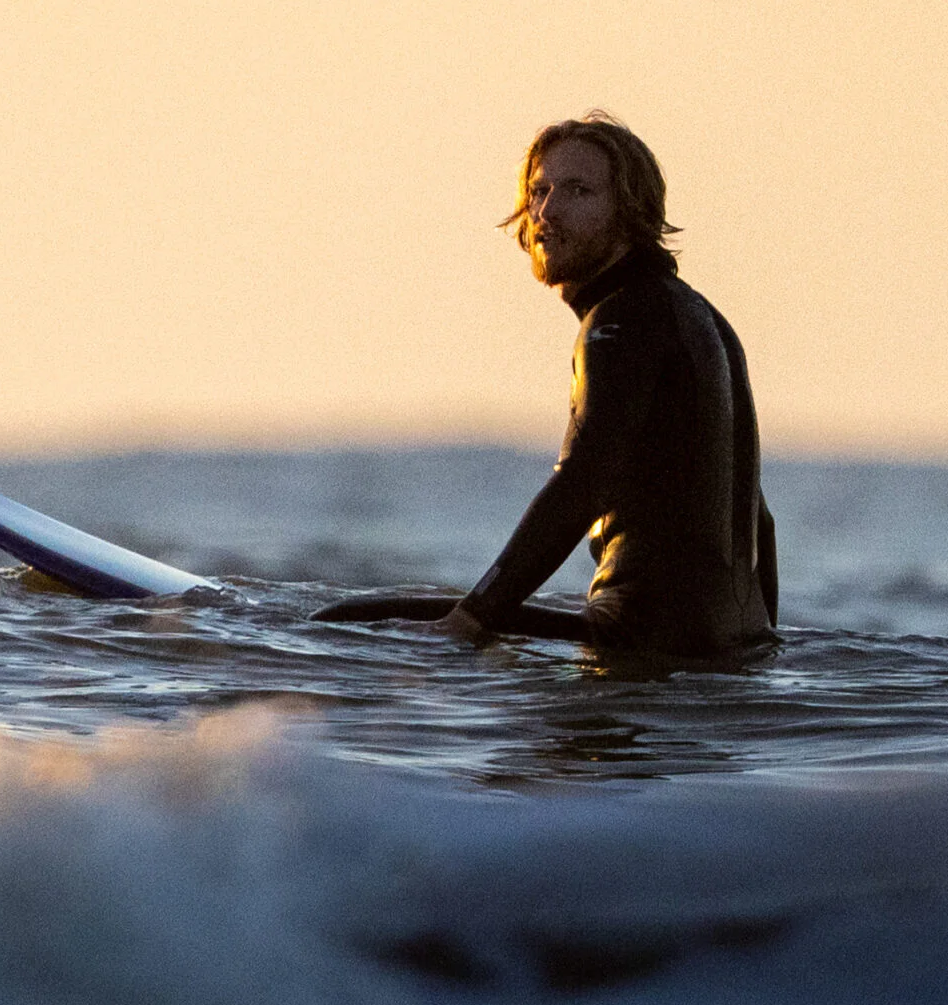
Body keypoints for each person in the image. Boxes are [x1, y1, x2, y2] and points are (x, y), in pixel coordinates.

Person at [316, 113, 778, 659]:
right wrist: (757, 644)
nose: (547, 212)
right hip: (731, 649)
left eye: (578, 191)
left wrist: (470, 619)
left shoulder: (621, 322)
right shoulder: (701, 319)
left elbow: (582, 482)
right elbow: (759, 522)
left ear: (631, 212)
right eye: (538, 191)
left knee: (344, 623)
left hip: (640, 648)